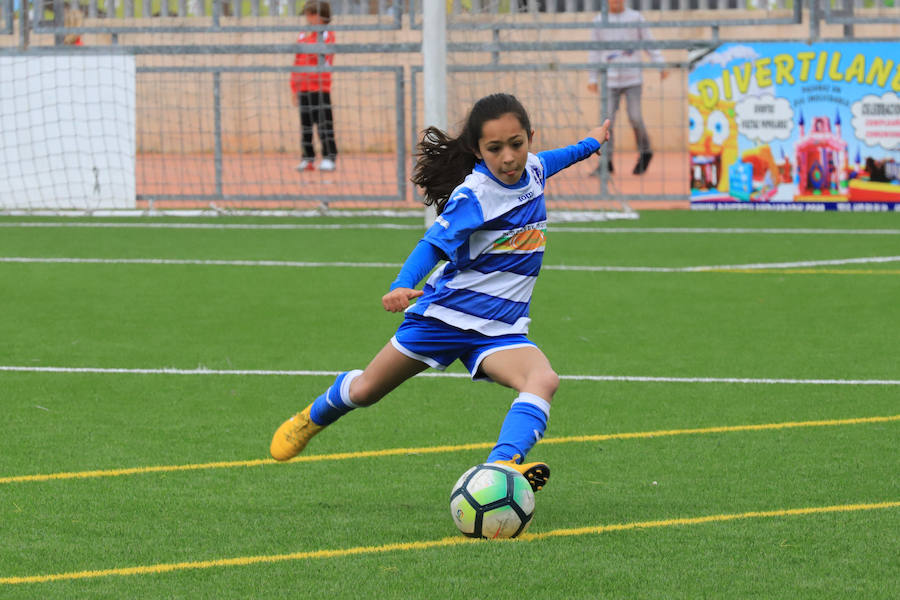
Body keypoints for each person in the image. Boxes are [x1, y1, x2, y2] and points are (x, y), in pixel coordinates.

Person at [270, 93, 610, 492]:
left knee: (543, 379)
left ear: (529, 138)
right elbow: (432, 244)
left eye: (516, 144)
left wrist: (592, 143)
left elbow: (562, 156)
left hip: (499, 328)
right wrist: (401, 284)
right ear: (478, 151)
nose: (509, 158)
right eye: (494, 149)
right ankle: (312, 417)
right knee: (366, 390)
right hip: (445, 318)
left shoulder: (534, 169)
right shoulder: (476, 195)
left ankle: (501, 468)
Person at [587, 0, 667, 176]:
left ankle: (645, 152)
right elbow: (594, 51)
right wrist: (592, 77)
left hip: (633, 79)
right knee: (607, 121)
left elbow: (649, 42)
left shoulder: (635, 17)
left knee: (635, 117)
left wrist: (660, 64)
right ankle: (606, 162)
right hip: (609, 80)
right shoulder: (599, 20)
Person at [291, 1, 338, 172]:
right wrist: (294, 87)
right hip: (303, 86)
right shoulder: (304, 34)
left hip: (320, 87)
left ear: (319, 16)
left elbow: (318, 54)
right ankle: (308, 158)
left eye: (310, 15)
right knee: (306, 125)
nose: (308, 18)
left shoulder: (326, 34)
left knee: (324, 123)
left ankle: (329, 156)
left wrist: (310, 44)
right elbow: (298, 58)